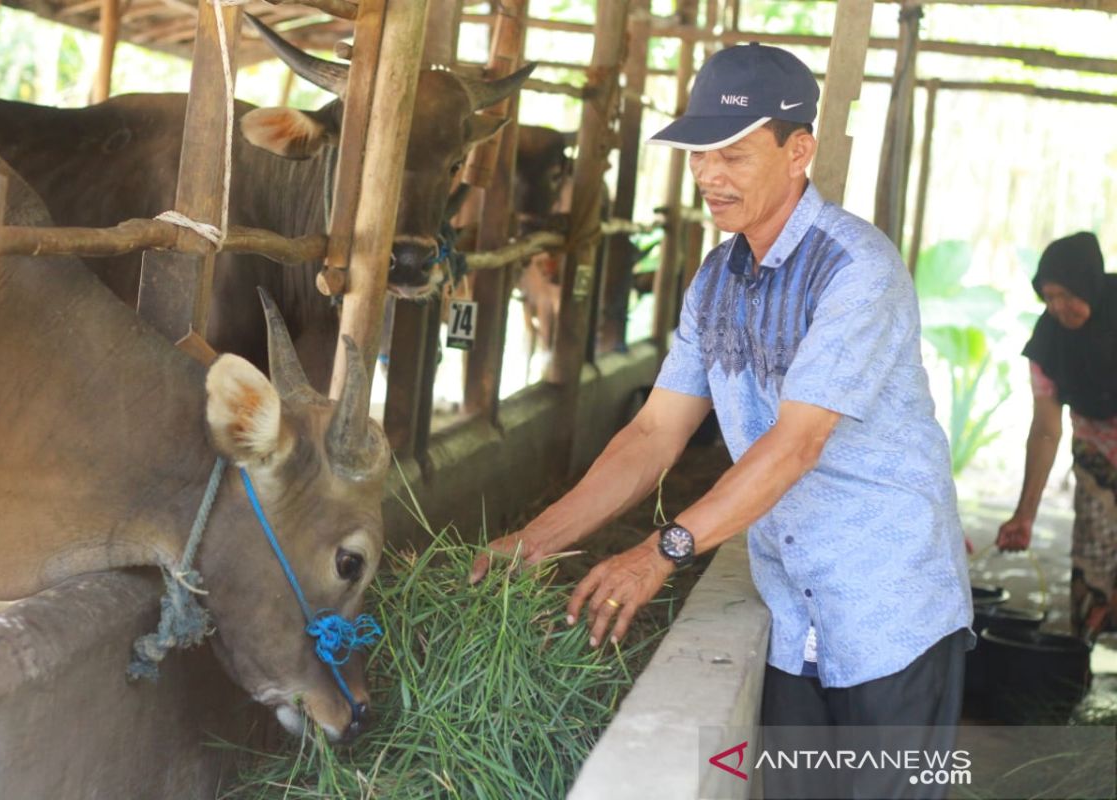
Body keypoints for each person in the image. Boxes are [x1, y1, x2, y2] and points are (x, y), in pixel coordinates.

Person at [469, 43, 973, 797]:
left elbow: (796, 445)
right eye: (699, 154)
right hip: (793, 610)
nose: (708, 175)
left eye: (732, 154)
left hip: (888, 611)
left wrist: (661, 552)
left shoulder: (856, 271)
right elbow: (652, 434)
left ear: (798, 151)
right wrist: (534, 541)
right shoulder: (717, 278)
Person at [997, 232, 1117, 643]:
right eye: (1049, 297)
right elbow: (1046, 430)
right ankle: (1079, 670)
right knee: (1093, 558)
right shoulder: (1049, 339)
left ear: (1088, 282)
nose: (1058, 307)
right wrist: (1024, 513)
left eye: (1066, 294)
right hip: (1097, 453)